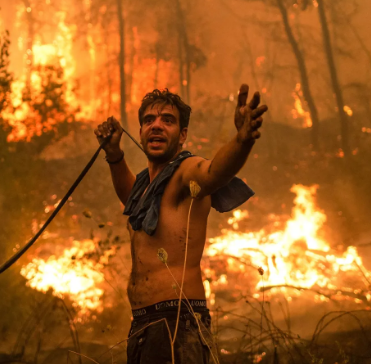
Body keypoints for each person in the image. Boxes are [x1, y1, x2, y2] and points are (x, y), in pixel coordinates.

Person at [94, 84, 268, 363]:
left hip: (177, 322)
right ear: (139, 132)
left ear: (182, 135)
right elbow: (130, 200)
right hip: (143, 324)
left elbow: (212, 172)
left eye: (168, 120)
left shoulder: (185, 173)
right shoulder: (144, 188)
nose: (157, 126)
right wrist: (114, 155)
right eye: (149, 120)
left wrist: (242, 139)